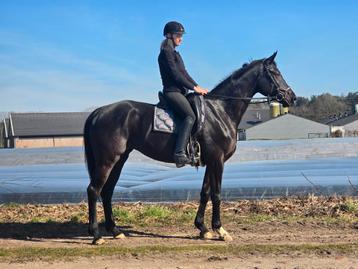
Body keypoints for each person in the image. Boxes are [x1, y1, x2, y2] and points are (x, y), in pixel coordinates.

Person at [158, 21, 208, 168]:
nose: (181, 38)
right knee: (190, 116)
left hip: (181, 91)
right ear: (169, 35)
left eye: (181, 35)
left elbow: (184, 73)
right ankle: (179, 153)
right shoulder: (166, 52)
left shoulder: (175, 54)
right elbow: (176, 76)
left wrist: (197, 86)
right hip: (172, 92)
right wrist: (194, 87)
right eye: (178, 35)